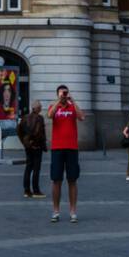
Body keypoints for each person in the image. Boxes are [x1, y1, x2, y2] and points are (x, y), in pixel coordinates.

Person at [47, 85, 84, 222]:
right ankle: (56, 211)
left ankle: (73, 211)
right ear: (57, 94)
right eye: (61, 93)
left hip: (72, 148)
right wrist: (58, 101)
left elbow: (82, 117)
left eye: (65, 93)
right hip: (57, 148)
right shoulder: (54, 106)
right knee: (56, 180)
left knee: (72, 180)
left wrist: (72, 101)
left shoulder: (72, 106)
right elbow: (49, 115)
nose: (63, 95)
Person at [18, 100, 46, 199]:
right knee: (36, 169)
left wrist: (25, 143)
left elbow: (19, 131)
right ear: (37, 108)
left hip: (28, 147)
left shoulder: (24, 118)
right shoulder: (40, 118)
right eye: (40, 107)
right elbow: (39, 133)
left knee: (28, 167)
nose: (41, 108)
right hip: (36, 146)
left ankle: (26, 191)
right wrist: (40, 144)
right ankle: (36, 191)